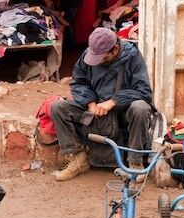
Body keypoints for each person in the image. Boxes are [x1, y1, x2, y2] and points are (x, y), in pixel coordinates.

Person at [50, 27, 153, 182]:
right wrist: (90, 103)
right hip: (96, 108)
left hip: (121, 112)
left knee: (141, 108)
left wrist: (114, 102)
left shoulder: (132, 56)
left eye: (103, 58)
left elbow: (143, 91)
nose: (98, 62)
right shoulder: (89, 54)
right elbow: (79, 82)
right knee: (58, 108)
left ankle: (135, 162)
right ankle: (79, 159)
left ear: (115, 49)